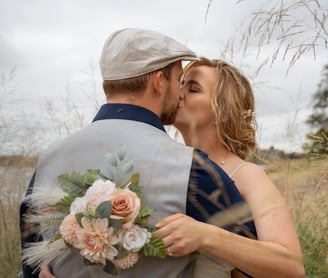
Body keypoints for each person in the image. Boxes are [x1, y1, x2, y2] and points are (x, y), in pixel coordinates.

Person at [20, 29, 255, 278]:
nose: (180, 93)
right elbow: (251, 261)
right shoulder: (191, 168)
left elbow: (32, 260)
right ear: (158, 82)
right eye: (178, 79)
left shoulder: (48, 159)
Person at [155, 57, 306, 277]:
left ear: (222, 111)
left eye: (194, 89)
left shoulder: (248, 175)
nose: (179, 93)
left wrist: (206, 236)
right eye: (181, 84)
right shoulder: (165, 164)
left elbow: (293, 268)